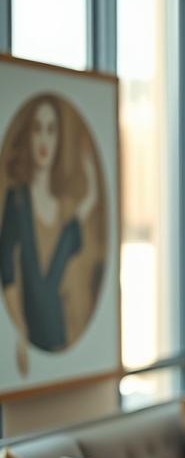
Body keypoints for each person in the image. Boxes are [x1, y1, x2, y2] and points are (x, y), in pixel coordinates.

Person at [0, 94, 99, 373]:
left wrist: (91, 193)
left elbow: (59, 266)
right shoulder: (17, 201)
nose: (44, 139)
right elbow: (6, 268)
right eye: (38, 129)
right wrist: (17, 331)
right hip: (33, 331)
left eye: (51, 129)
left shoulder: (63, 208)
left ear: (57, 139)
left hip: (58, 332)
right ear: (29, 137)